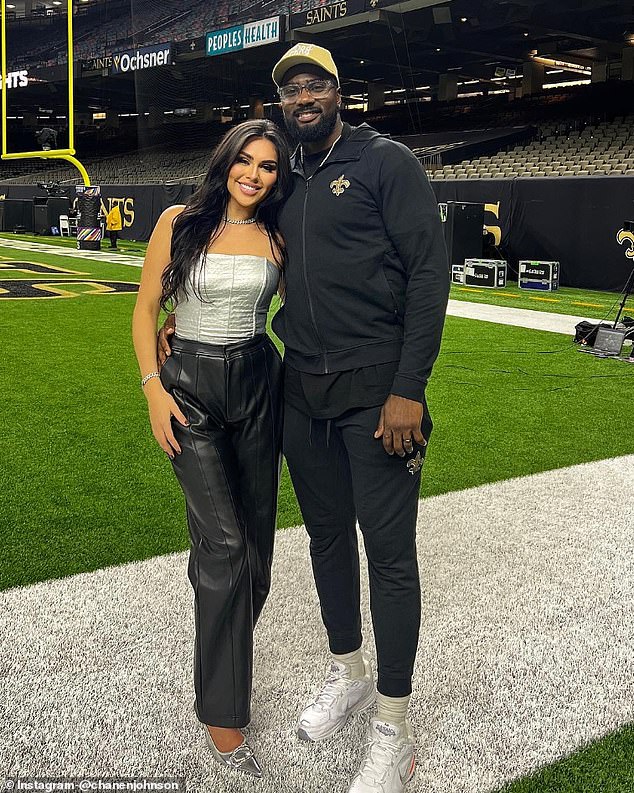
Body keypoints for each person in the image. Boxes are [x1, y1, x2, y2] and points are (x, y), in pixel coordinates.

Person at [160, 44, 449, 793]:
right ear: (280, 99)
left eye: (316, 82)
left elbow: (428, 273)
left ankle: (395, 725)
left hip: (379, 394)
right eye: (291, 87)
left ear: (338, 89)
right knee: (324, 538)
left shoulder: (387, 163)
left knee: (387, 553)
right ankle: (349, 671)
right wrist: (184, 321)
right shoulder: (284, 177)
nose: (304, 95)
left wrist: (409, 387)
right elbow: (240, 247)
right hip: (300, 391)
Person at [132, 119, 290, 779]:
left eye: (268, 167)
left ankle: (219, 653)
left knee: (254, 551)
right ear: (226, 162)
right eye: (244, 161)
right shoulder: (178, 220)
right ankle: (224, 718)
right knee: (223, 545)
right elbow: (145, 311)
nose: (253, 175)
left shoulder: (279, 238)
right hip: (189, 386)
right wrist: (152, 391)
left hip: (258, 383)